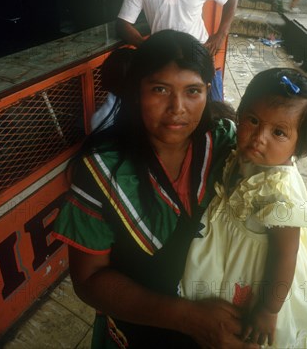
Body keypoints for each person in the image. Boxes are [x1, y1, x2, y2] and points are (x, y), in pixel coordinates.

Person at [52, 29, 259, 349]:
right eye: (160, 89)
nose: (177, 108)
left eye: (192, 91)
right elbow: (89, 280)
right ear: (136, 92)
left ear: (207, 91)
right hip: (139, 333)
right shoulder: (101, 172)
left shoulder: (224, 142)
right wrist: (188, 317)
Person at [180, 67, 307, 348]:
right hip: (231, 256)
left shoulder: (281, 192)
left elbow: (286, 254)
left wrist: (268, 310)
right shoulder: (248, 156)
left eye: (279, 132)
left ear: (301, 147)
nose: (259, 137)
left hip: (265, 279)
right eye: (253, 120)